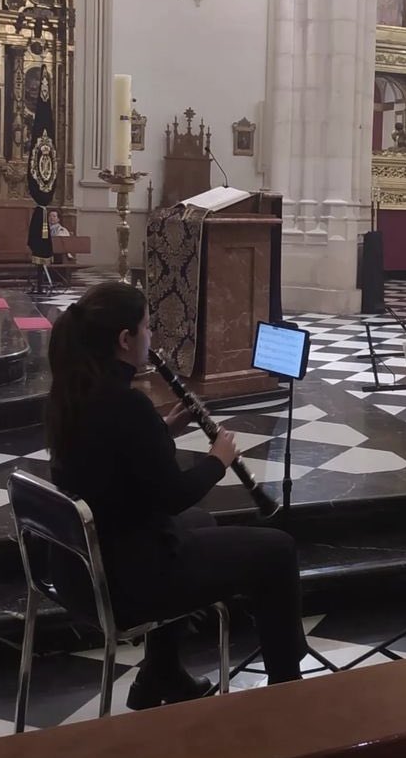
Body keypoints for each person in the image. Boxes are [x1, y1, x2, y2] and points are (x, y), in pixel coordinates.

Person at [46, 282, 307, 709]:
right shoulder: (125, 404)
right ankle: (286, 692)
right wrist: (218, 460)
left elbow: (113, 463)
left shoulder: (73, 392)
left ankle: (160, 673)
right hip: (128, 580)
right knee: (278, 550)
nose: (152, 337)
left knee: (201, 522)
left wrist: (160, 431)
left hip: (82, 567)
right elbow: (172, 496)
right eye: (147, 327)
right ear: (125, 339)